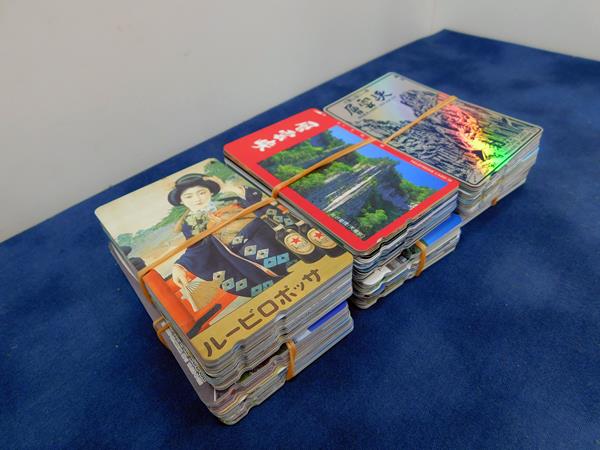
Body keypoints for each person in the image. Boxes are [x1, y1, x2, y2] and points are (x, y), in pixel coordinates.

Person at [167, 173, 294, 313]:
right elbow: (197, 248)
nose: (197, 199)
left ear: (210, 192)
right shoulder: (190, 224)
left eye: (201, 192)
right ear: (181, 201)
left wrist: (227, 187)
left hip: (266, 238)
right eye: (188, 196)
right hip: (239, 255)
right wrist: (179, 266)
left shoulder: (229, 201)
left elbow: (256, 198)